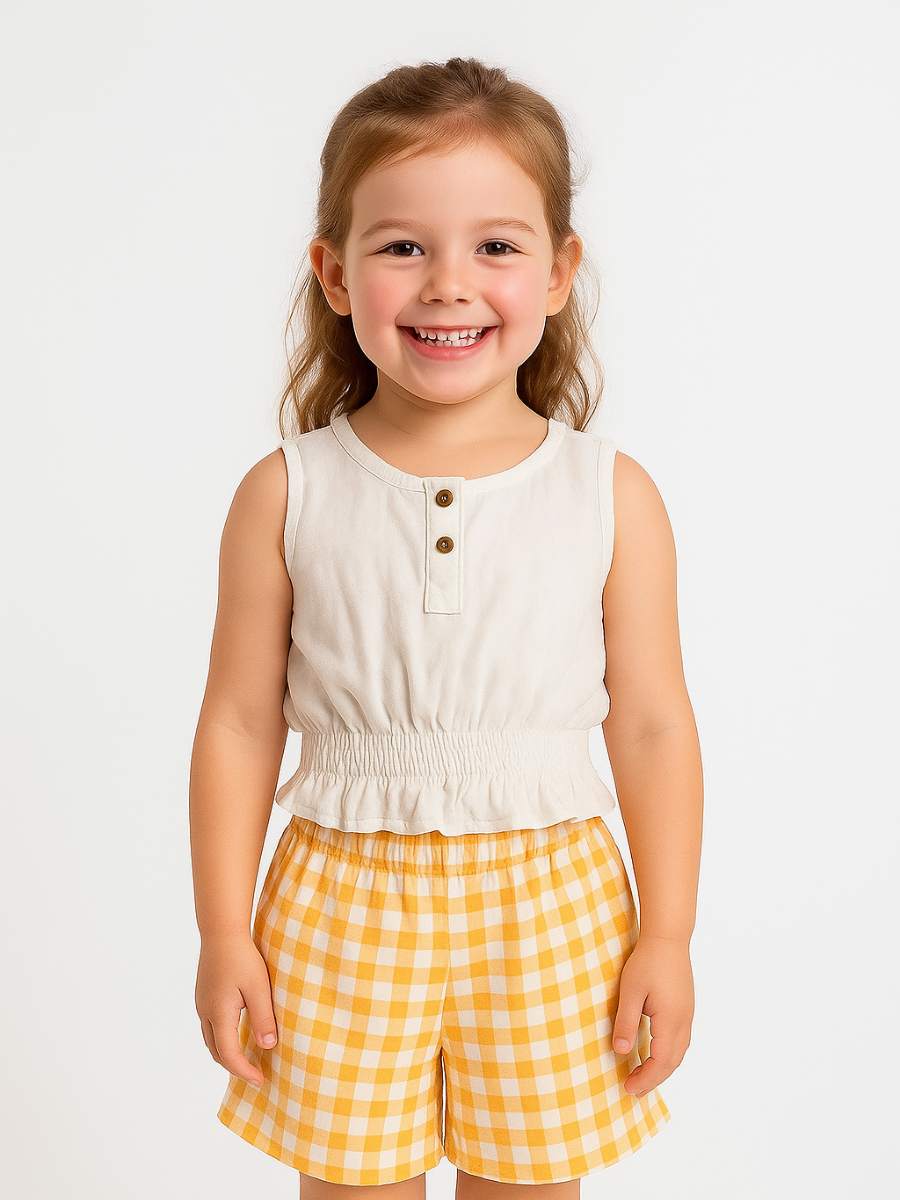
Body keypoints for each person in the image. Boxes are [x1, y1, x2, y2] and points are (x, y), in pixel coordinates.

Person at [190, 56, 703, 1198]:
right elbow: (237, 724)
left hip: (553, 908)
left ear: (559, 272)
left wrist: (667, 934)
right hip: (339, 904)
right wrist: (224, 929)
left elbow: (654, 726)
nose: (448, 285)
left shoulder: (609, 494)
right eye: (403, 247)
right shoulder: (286, 492)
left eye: (497, 245)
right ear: (335, 273)